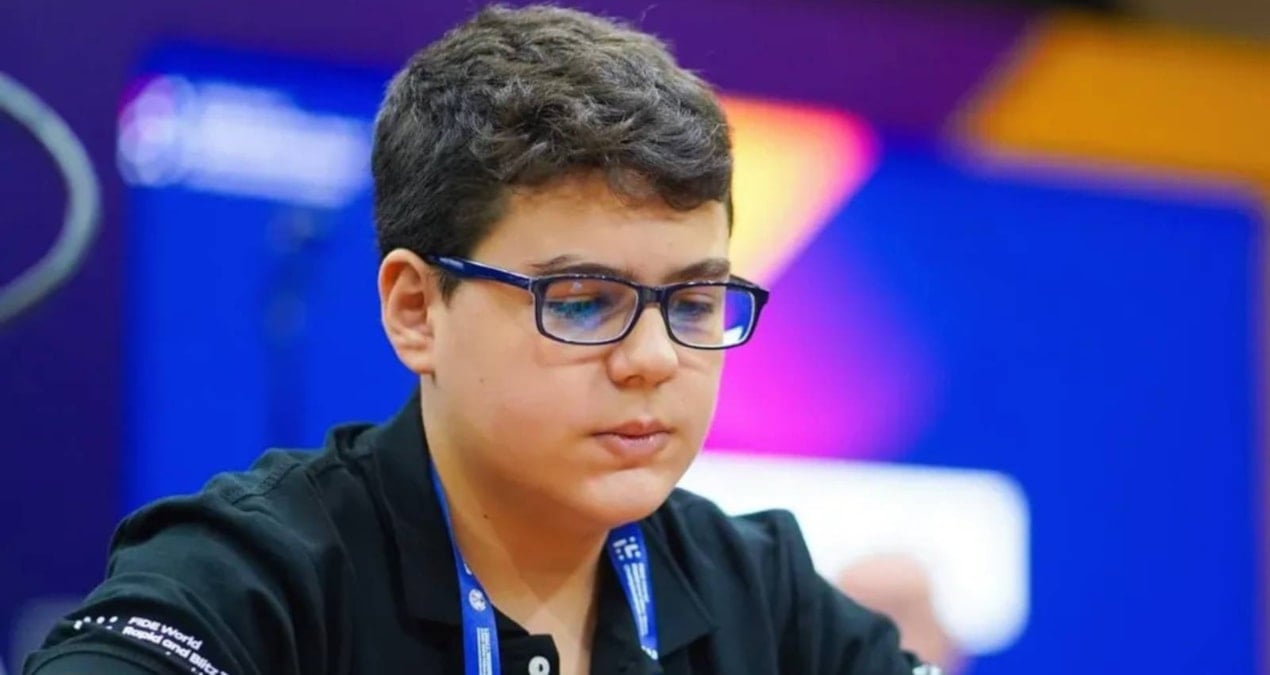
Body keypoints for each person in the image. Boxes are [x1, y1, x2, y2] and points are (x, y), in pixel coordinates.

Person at [24, 5, 934, 674]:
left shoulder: (764, 593)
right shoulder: (255, 578)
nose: (655, 358)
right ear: (416, 309)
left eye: (694, 302)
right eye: (584, 302)